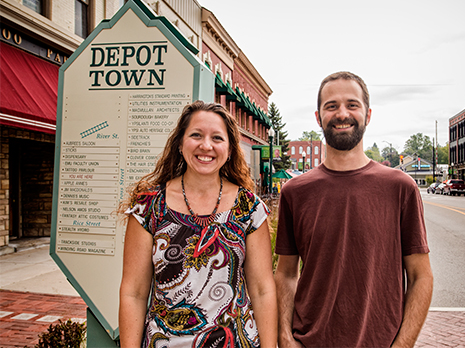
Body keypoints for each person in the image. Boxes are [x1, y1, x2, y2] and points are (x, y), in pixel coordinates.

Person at [274, 71, 433, 347]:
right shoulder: (295, 192)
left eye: (352, 104)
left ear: (368, 115)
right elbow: (286, 273)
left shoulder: (400, 187)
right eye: (331, 106)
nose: (342, 113)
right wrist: (285, 338)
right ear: (318, 117)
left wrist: (402, 345)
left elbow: (421, 276)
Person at [119, 101, 277, 348]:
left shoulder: (249, 208)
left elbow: (262, 289)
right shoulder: (148, 207)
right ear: (180, 144)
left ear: (230, 149)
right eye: (196, 135)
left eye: (217, 138)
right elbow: (134, 293)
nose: (206, 146)